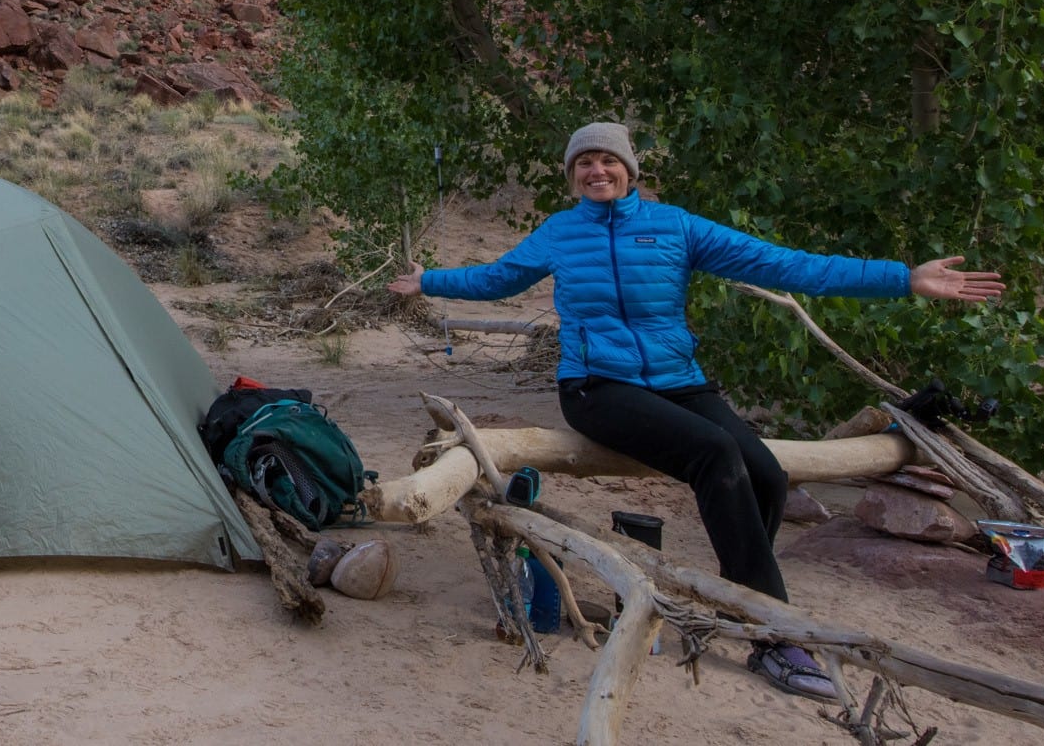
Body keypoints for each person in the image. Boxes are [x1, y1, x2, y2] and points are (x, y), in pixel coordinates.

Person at [388, 120, 1003, 700]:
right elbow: (499, 278)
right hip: (595, 388)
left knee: (764, 470)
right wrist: (431, 281)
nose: (596, 171)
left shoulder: (675, 227)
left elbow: (782, 263)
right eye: (584, 163)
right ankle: (776, 635)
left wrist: (903, 279)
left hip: (679, 382)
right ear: (572, 174)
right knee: (715, 454)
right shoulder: (559, 232)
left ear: (628, 171)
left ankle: (739, 602)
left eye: (607, 160)